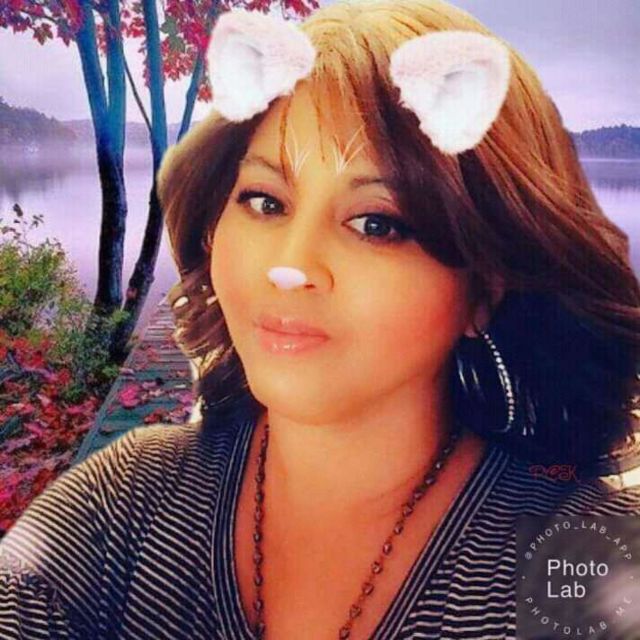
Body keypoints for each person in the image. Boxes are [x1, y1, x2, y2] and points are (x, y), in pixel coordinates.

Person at [2, 1, 640, 638]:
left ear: (486, 287)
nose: (290, 266)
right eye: (265, 202)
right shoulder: (123, 505)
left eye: (376, 224)